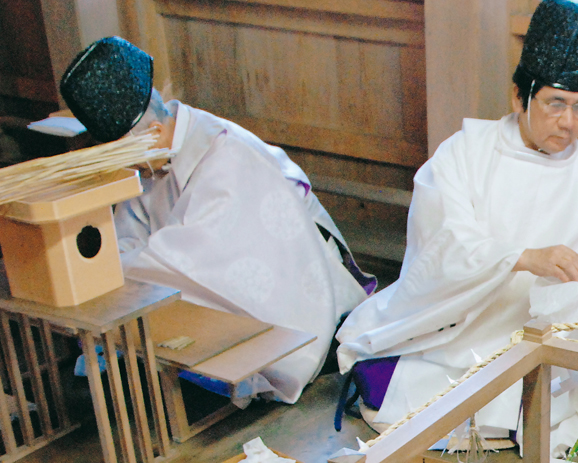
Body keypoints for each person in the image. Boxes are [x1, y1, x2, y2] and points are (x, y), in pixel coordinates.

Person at [334, 0, 578, 444]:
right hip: (459, 333)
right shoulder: (466, 154)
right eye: (555, 103)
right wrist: (521, 258)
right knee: (409, 385)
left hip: (545, 347)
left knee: (575, 402)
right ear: (520, 96)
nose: (568, 123)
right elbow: (442, 243)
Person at [59, 37, 373, 405]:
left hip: (303, 286)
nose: (131, 171)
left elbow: (194, 259)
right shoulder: (155, 152)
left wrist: (107, 268)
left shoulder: (227, 158)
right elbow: (129, 239)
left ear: (153, 133)